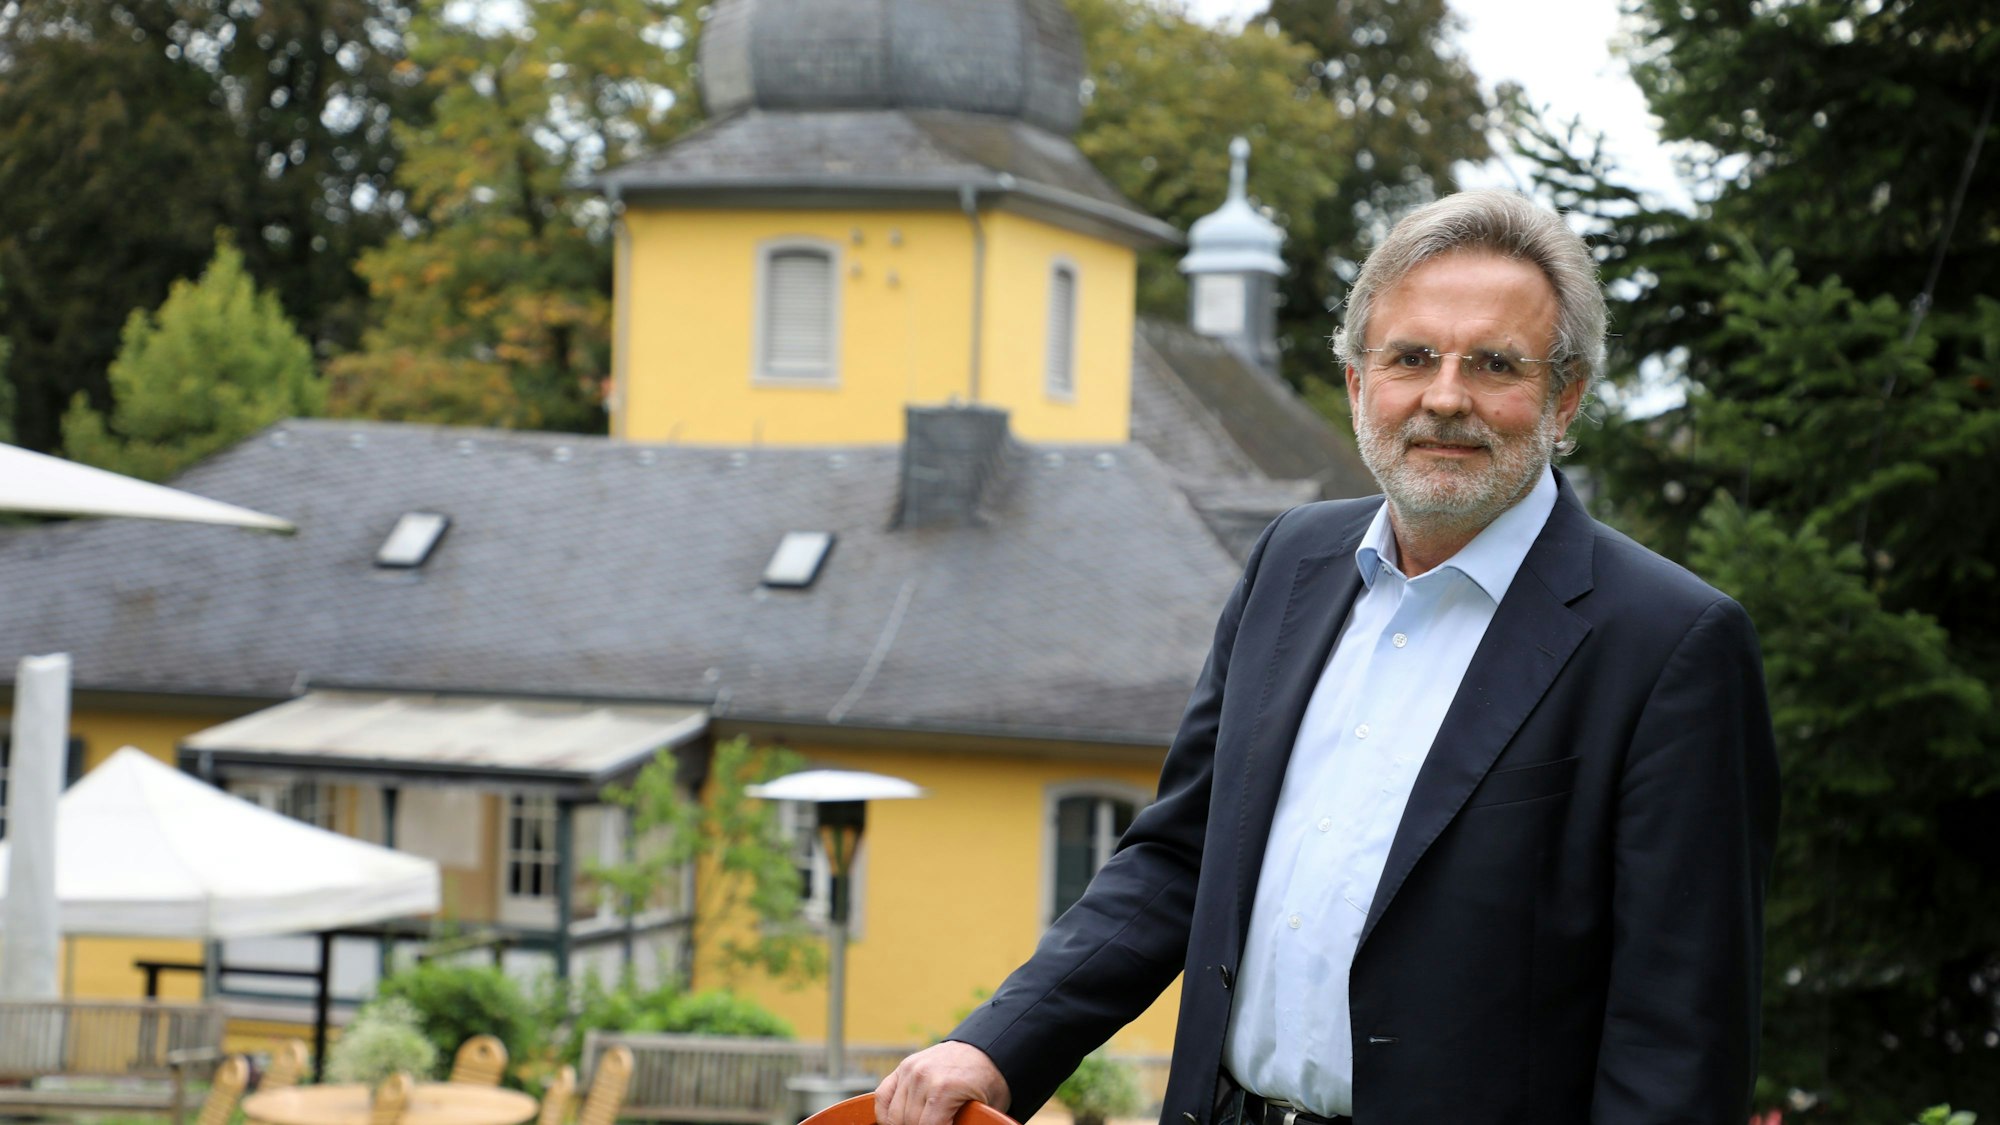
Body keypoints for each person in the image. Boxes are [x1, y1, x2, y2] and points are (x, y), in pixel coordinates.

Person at [875, 191, 1780, 1125]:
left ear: (1567, 398)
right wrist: (997, 1043)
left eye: (1496, 364)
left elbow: (1677, 1042)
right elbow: (1180, 858)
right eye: (1412, 357)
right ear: (1357, 383)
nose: (1445, 396)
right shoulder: (1290, 564)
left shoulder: (1672, 644)